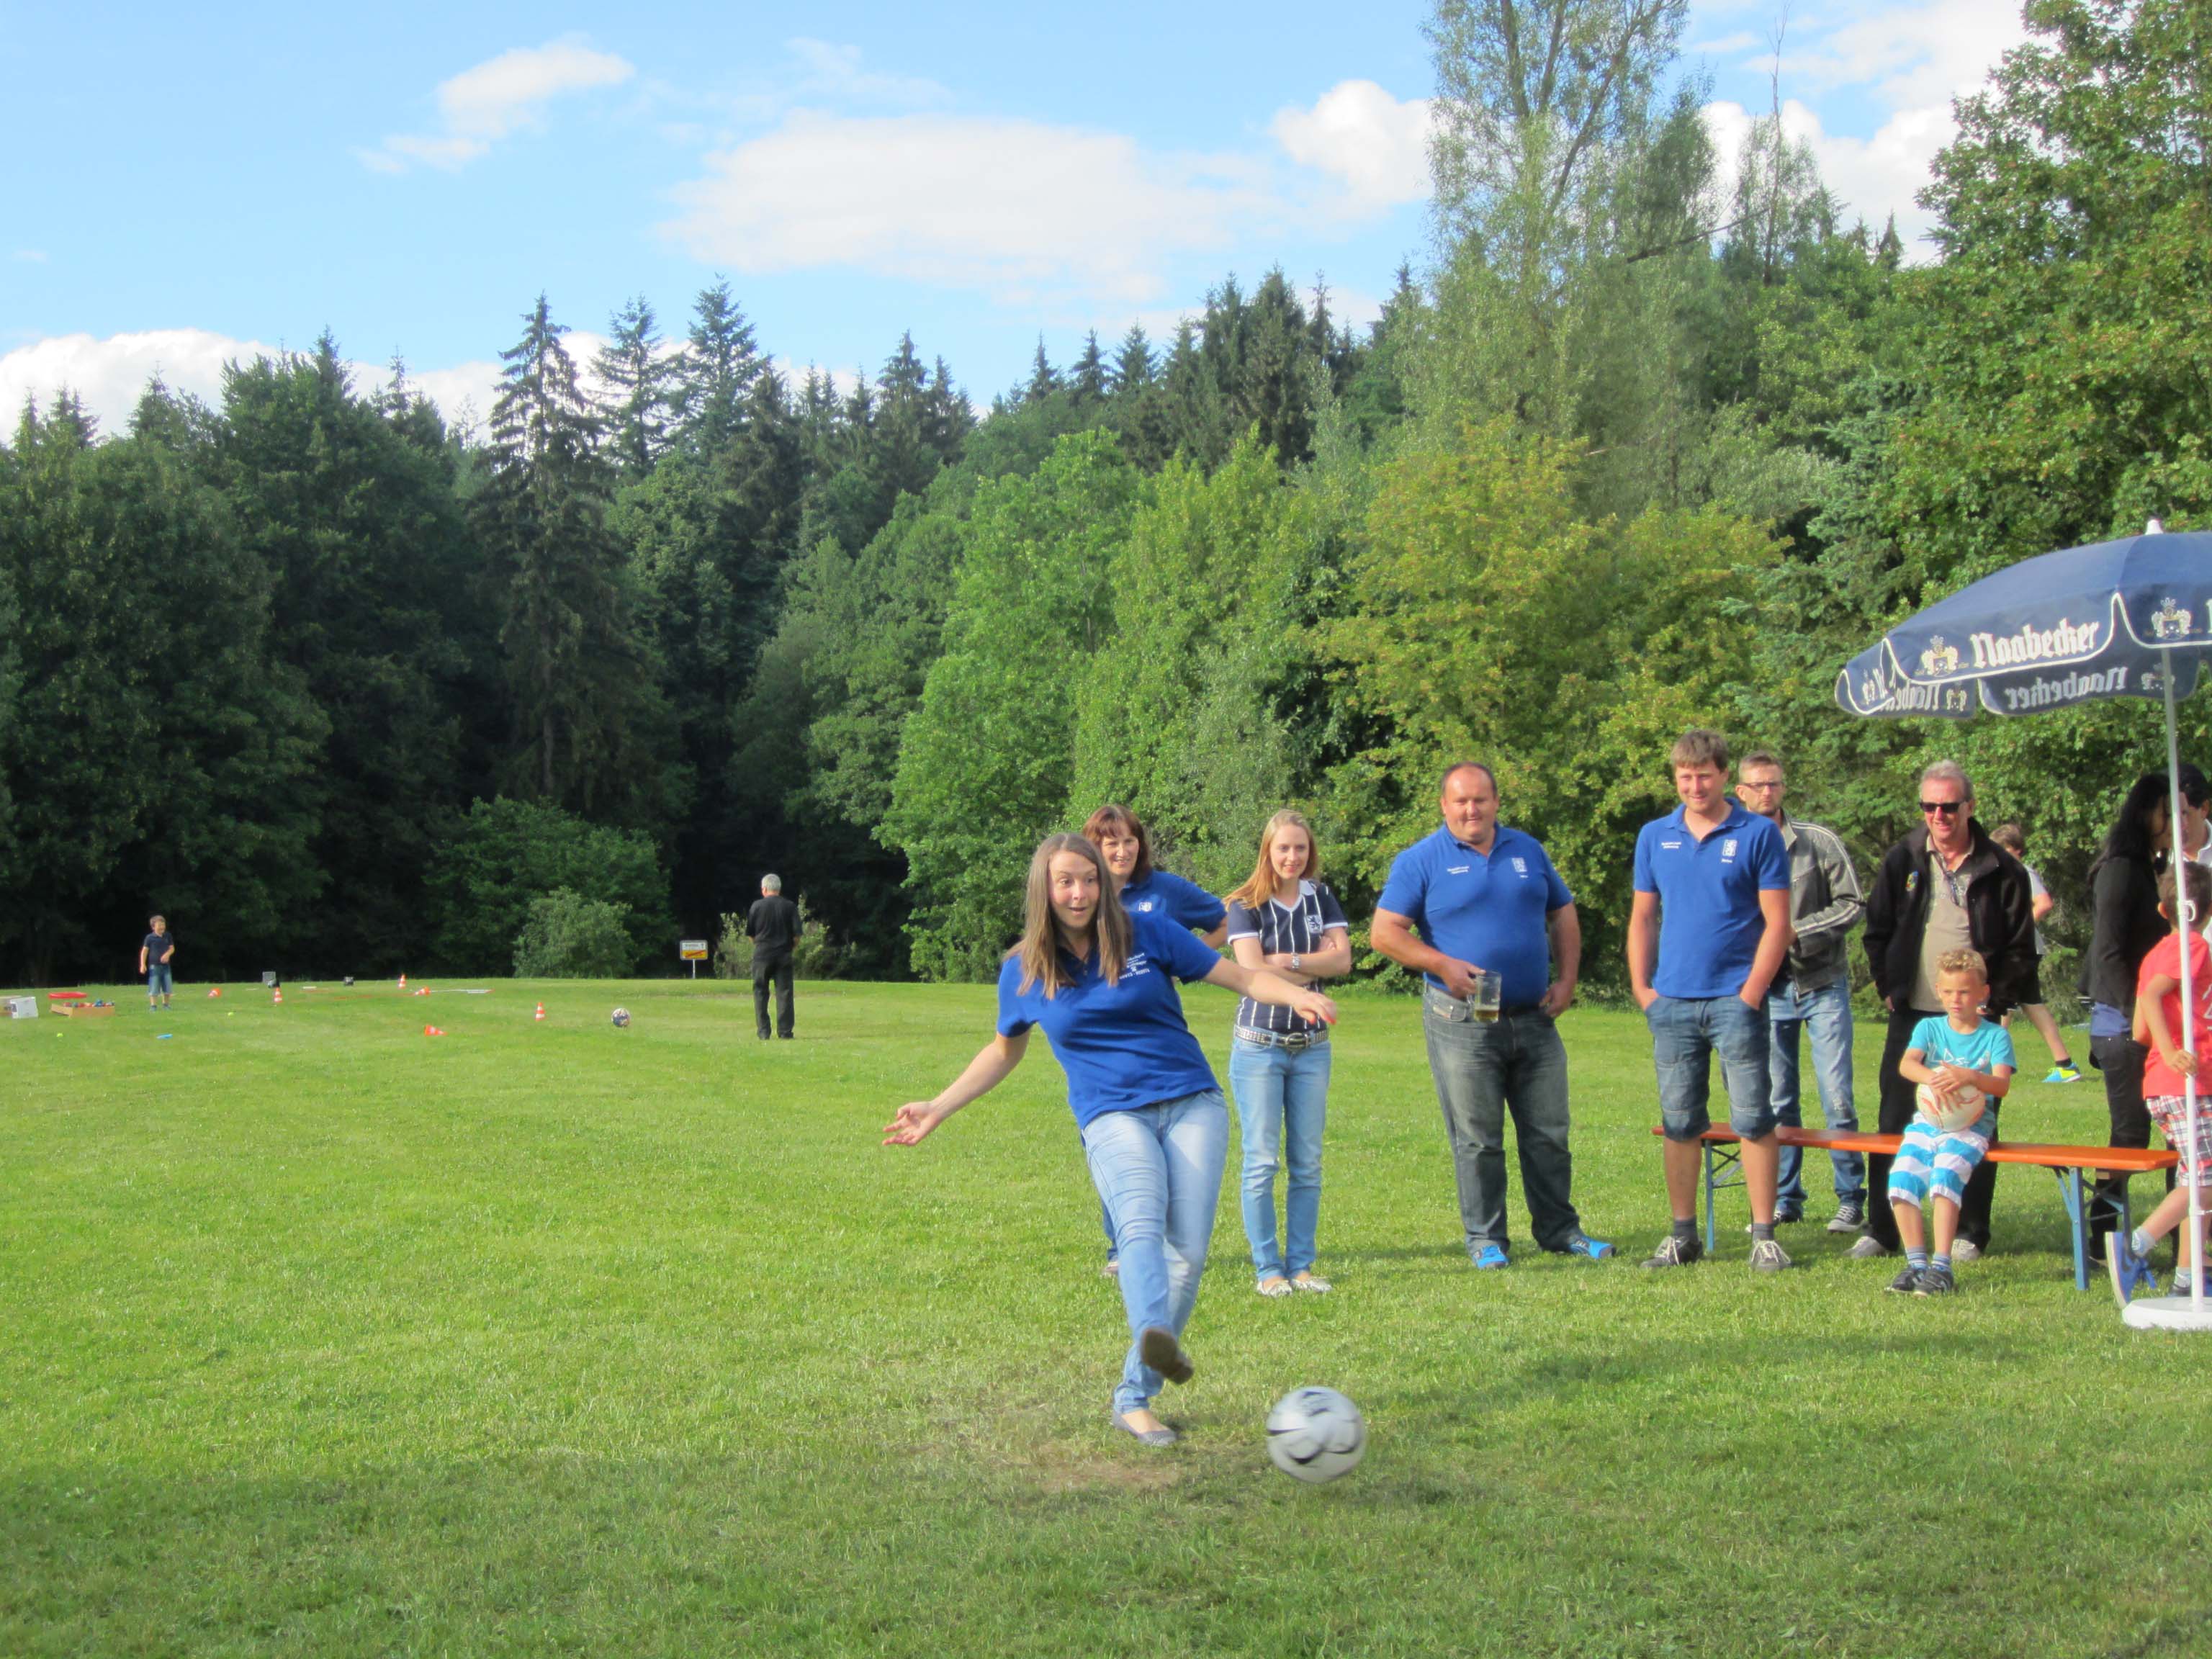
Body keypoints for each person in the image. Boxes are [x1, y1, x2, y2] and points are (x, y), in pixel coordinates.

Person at [884, 833, 1336, 1447]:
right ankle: (1155, 1334)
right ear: (1044, 889)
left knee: (1188, 1253)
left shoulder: (1145, 932)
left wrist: (1298, 994)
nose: (1080, 893)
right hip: (1110, 1112)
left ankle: (1134, 1394)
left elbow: (1242, 977)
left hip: (1191, 1101)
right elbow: (1003, 1050)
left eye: (1090, 880)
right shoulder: (1024, 969)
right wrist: (938, 1106)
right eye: (1066, 881)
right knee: (1139, 1223)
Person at [1372, 762, 1612, 1267]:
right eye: (1460, 801)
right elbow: (1385, 933)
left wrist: (1568, 980)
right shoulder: (1421, 860)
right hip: (1463, 1019)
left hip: (1534, 1016)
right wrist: (1442, 964)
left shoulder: (1528, 850)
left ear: (1497, 802)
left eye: (1480, 799)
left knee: (1549, 1133)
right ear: (1444, 805)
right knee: (1478, 1139)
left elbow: (1562, 912)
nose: (1471, 810)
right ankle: (1486, 1240)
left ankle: (1560, 1232)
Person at [1629, 730, 1795, 1271]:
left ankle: (1764, 1235)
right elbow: (1643, 917)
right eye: (1685, 777)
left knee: (1753, 1117)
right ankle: (1683, 1235)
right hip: (1672, 1001)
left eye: (1704, 775)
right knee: (1679, 1120)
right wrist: (1643, 989)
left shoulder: (1757, 834)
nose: (1695, 786)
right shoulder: (1655, 835)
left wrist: (1751, 993)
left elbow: (1778, 924)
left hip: (1735, 1000)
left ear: (1726, 776)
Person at [1859, 762, 2036, 1262]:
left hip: (1974, 1019)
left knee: (1974, 1120)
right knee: (1895, 1118)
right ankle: (1883, 1230)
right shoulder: (1904, 857)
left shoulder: (2001, 867)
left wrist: (1995, 1000)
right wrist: (1888, 985)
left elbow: (2021, 946)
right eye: (1929, 806)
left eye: (1949, 806)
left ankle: (1969, 1232)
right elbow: (1877, 929)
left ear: (1970, 807)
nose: (1939, 815)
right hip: (1914, 1011)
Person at [1083, 804, 1227, 1277]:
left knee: (1165, 1152)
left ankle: (1163, 1247)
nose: (1123, 851)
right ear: (1093, 849)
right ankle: (1120, 1249)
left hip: (1157, 1032)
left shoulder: (1164, 891)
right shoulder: (1082, 898)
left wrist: (1188, 957)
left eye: (1130, 841)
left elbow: (1226, 920)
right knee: (1117, 1147)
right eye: (1111, 843)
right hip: (1100, 1042)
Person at [1734, 749, 1869, 1232]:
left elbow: (1853, 903)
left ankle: (1851, 1199)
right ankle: (1785, 1198)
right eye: (1757, 785)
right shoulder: (1733, 846)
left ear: (1783, 787)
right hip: (1766, 989)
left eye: (1774, 783)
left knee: (1838, 1098)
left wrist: (1796, 933)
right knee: (1777, 1100)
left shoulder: (1817, 842)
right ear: (1741, 792)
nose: (1767, 792)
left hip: (1821, 983)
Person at [1223, 810, 1351, 1296]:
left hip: (1312, 1048)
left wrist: (1287, 961)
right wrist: (1313, 966)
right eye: (1283, 848)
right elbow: (1251, 974)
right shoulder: (1245, 904)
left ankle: (1301, 1266)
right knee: (1261, 1163)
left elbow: (1344, 961)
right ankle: (1268, 1270)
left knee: (1308, 1163)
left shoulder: (1321, 897)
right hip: (1260, 1046)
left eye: (1300, 848)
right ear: (1268, 851)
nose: (1292, 857)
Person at [2080, 773, 2180, 1256]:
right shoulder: (2120, 869)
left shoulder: (2147, 866)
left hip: (2145, 1022)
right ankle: (2102, 1237)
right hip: (2121, 1025)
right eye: (2169, 812)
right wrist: (2140, 1022)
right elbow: (2109, 953)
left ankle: (2184, 1236)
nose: (2174, 822)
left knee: (2175, 1135)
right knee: (2129, 1134)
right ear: (2147, 814)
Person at [2108, 861, 2212, 1306]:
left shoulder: (2156, 953)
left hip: (2164, 1085)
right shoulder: (2193, 946)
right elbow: (2152, 997)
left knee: (2196, 1179)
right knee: (2204, 1181)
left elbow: (2140, 1029)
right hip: (2187, 1081)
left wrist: (2165, 1044)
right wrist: (2172, 1052)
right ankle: (2135, 1246)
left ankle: (2188, 1277)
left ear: (2162, 909)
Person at [1886, 948, 2017, 1297]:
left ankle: (1942, 1268)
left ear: (1983, 993)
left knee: (1945, 1177)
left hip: (1971, 1127)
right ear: (1938, 992)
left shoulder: (1995, 1036)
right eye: (1948, 992)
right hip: (1927, 1123)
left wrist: (1970, 1077)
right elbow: (1907, 1065)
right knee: (1901, 1179)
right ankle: (1916, 1265)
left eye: (1964, 992)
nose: (1955, 1000)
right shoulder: (1929, 1028)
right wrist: (1936, 1079)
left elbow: (2001, 1085)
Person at [1986, 822, 2084, 1083]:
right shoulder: (2006, 872)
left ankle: (2062, 1065)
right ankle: (2058, 1064)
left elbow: (2044, 903)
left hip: (2022, 950)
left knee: (2010, 1001)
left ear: (2017, 850)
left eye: (2003, 849)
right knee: (2021, 1003)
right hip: (2019, 949)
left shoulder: (2023, 872)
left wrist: (2016, 930)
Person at [745, 876, 801, 1040]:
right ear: (779, 889)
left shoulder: (756, 906)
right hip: (783, 954)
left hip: (762, 955)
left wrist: (759, 945)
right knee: (784, 993)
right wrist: (790, 948)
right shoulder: (790, 906)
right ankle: (785, 1032)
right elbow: (797, 935)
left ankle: (763, 1031)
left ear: (764, 889)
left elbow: (751, 934)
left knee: (760, 992)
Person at [138, 915, 175, 1009]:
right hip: (154, 966)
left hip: (166, 966)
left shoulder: (168, 936)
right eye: (159, 925)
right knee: (154, 985)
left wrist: (167, 955)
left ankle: (166, 1005)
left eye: (163, 925)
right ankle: (153, 1006)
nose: (162, 927)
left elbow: (172, 949)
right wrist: (142, 964)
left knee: (167, 986)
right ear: (153, 927)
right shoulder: (149, 938)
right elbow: (144, 951)